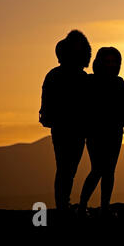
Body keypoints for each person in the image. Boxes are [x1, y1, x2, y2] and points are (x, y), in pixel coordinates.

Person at [39, 30, 91, 213]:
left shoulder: (55, 75)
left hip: (70, 128)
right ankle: (63, 205)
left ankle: (63, 204)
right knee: (66, 168)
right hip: (68, 128)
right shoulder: (63, 76)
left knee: (66, 167)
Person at [78, 47, 124, 218]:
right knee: (98, 169)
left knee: (109, 171)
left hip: (115, 132)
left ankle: (104, 207)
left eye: (114, 62)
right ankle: (82, 205)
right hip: (95, 133)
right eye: (107, 61)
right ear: (100, 63)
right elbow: (84, 106)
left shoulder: (119, 82)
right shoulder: (90, 81)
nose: (110, 65)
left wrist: (123, 121)